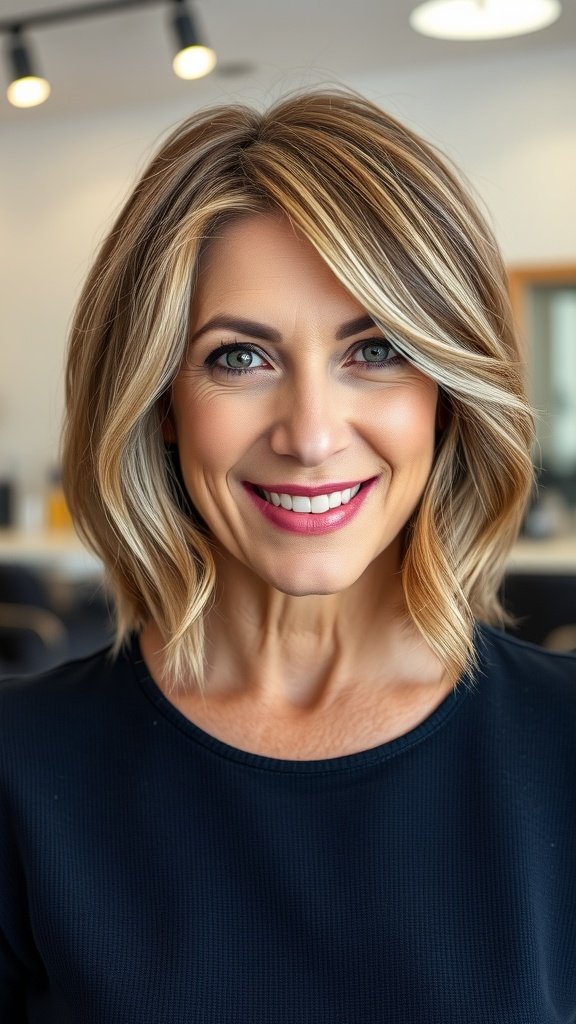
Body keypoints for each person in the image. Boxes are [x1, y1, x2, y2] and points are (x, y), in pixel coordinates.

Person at [1, 87, 575, 1023]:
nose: (311, 435)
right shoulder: (23, 771)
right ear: (157, 401)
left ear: (450, 392)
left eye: (377, 348)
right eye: (239, 358)